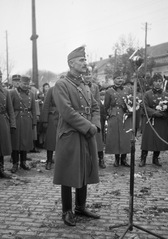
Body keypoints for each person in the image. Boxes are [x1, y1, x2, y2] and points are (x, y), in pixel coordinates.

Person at [53, 46, 101, 227]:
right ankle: (67, 211)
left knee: (84, 170)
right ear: (71, 63)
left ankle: (80, 206)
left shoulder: (84, 84)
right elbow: (66, 111)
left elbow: (96, 107)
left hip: (87, 134)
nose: (85, 63)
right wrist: (88, 126)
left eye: (85, 60)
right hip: (71, 135)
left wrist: (95, 125)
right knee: (68, 172)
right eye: (81, 60)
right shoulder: (62, 84)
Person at [139, 73, 168, 167]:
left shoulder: (166, 94)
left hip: (161, 121)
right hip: (150, 120)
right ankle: (143, 158)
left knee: (159, 139)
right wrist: (155, 112)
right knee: (147, 139)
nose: (158, 83)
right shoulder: (147, 94)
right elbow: (144, 106)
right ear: (152, 82)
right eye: (156, 81)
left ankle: (155, 158)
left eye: (160, 81)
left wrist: (166, 112)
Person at [9, 76, 37, 173]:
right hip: (17, 119)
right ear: (20, 83)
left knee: (25, 142)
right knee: (16, 142)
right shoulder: (13, 93)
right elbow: (10, 108)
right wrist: (11, 122)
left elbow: (33, 108)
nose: (26, 86)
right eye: (24, 84)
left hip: (27, 119)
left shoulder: (32, 94)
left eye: (27, 84)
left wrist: (34, 122)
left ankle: (23, 162)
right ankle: (15, 163)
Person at [104, 70, 132, 167]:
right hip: (114, 116)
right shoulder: (109, 91)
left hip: (125, 115)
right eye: (118, 78)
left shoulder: (128, 90)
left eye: (121, 78)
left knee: (125, 137)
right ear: (114, 80)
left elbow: (131, 101)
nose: (120, 80)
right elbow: (106, 106)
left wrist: (130, 109)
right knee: (116, 137)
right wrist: (109, 114)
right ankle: (116, 159)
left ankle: (124, 159)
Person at [84, 66, 106, 169]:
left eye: (89, 74)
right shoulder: (79, 86)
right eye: (85, 74)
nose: (87, 77)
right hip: (84, 115)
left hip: (94, 115)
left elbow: (97, 102)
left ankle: (101, 159)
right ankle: (88, 160)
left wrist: (96, 117)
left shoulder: (95, 87)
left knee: (98, 138)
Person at [40, 86, 58, 170]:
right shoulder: (52, 90)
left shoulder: (69, 89)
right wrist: (45, 120)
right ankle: (49, 160)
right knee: (51, 140)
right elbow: (46, 105)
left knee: (65, 141)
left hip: (65, 117)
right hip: (53, 117)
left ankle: (63, 161)